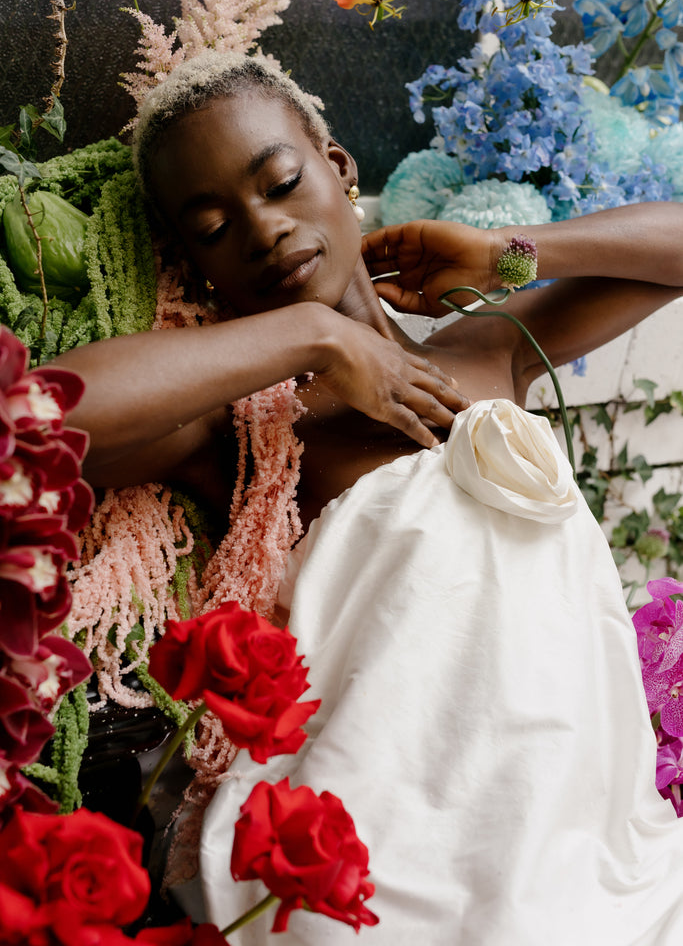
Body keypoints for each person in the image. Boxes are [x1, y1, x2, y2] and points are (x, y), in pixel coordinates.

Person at [57, 50, 683, 944]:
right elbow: (45, 409)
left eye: (279, 181)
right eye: (210, 226)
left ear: (339, 169)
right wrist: (310, 338)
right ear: (192, 264)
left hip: (586, 836)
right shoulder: (244, 428)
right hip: (397, 850)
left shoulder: (483, 348)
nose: (262, 228)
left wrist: (510, 255)